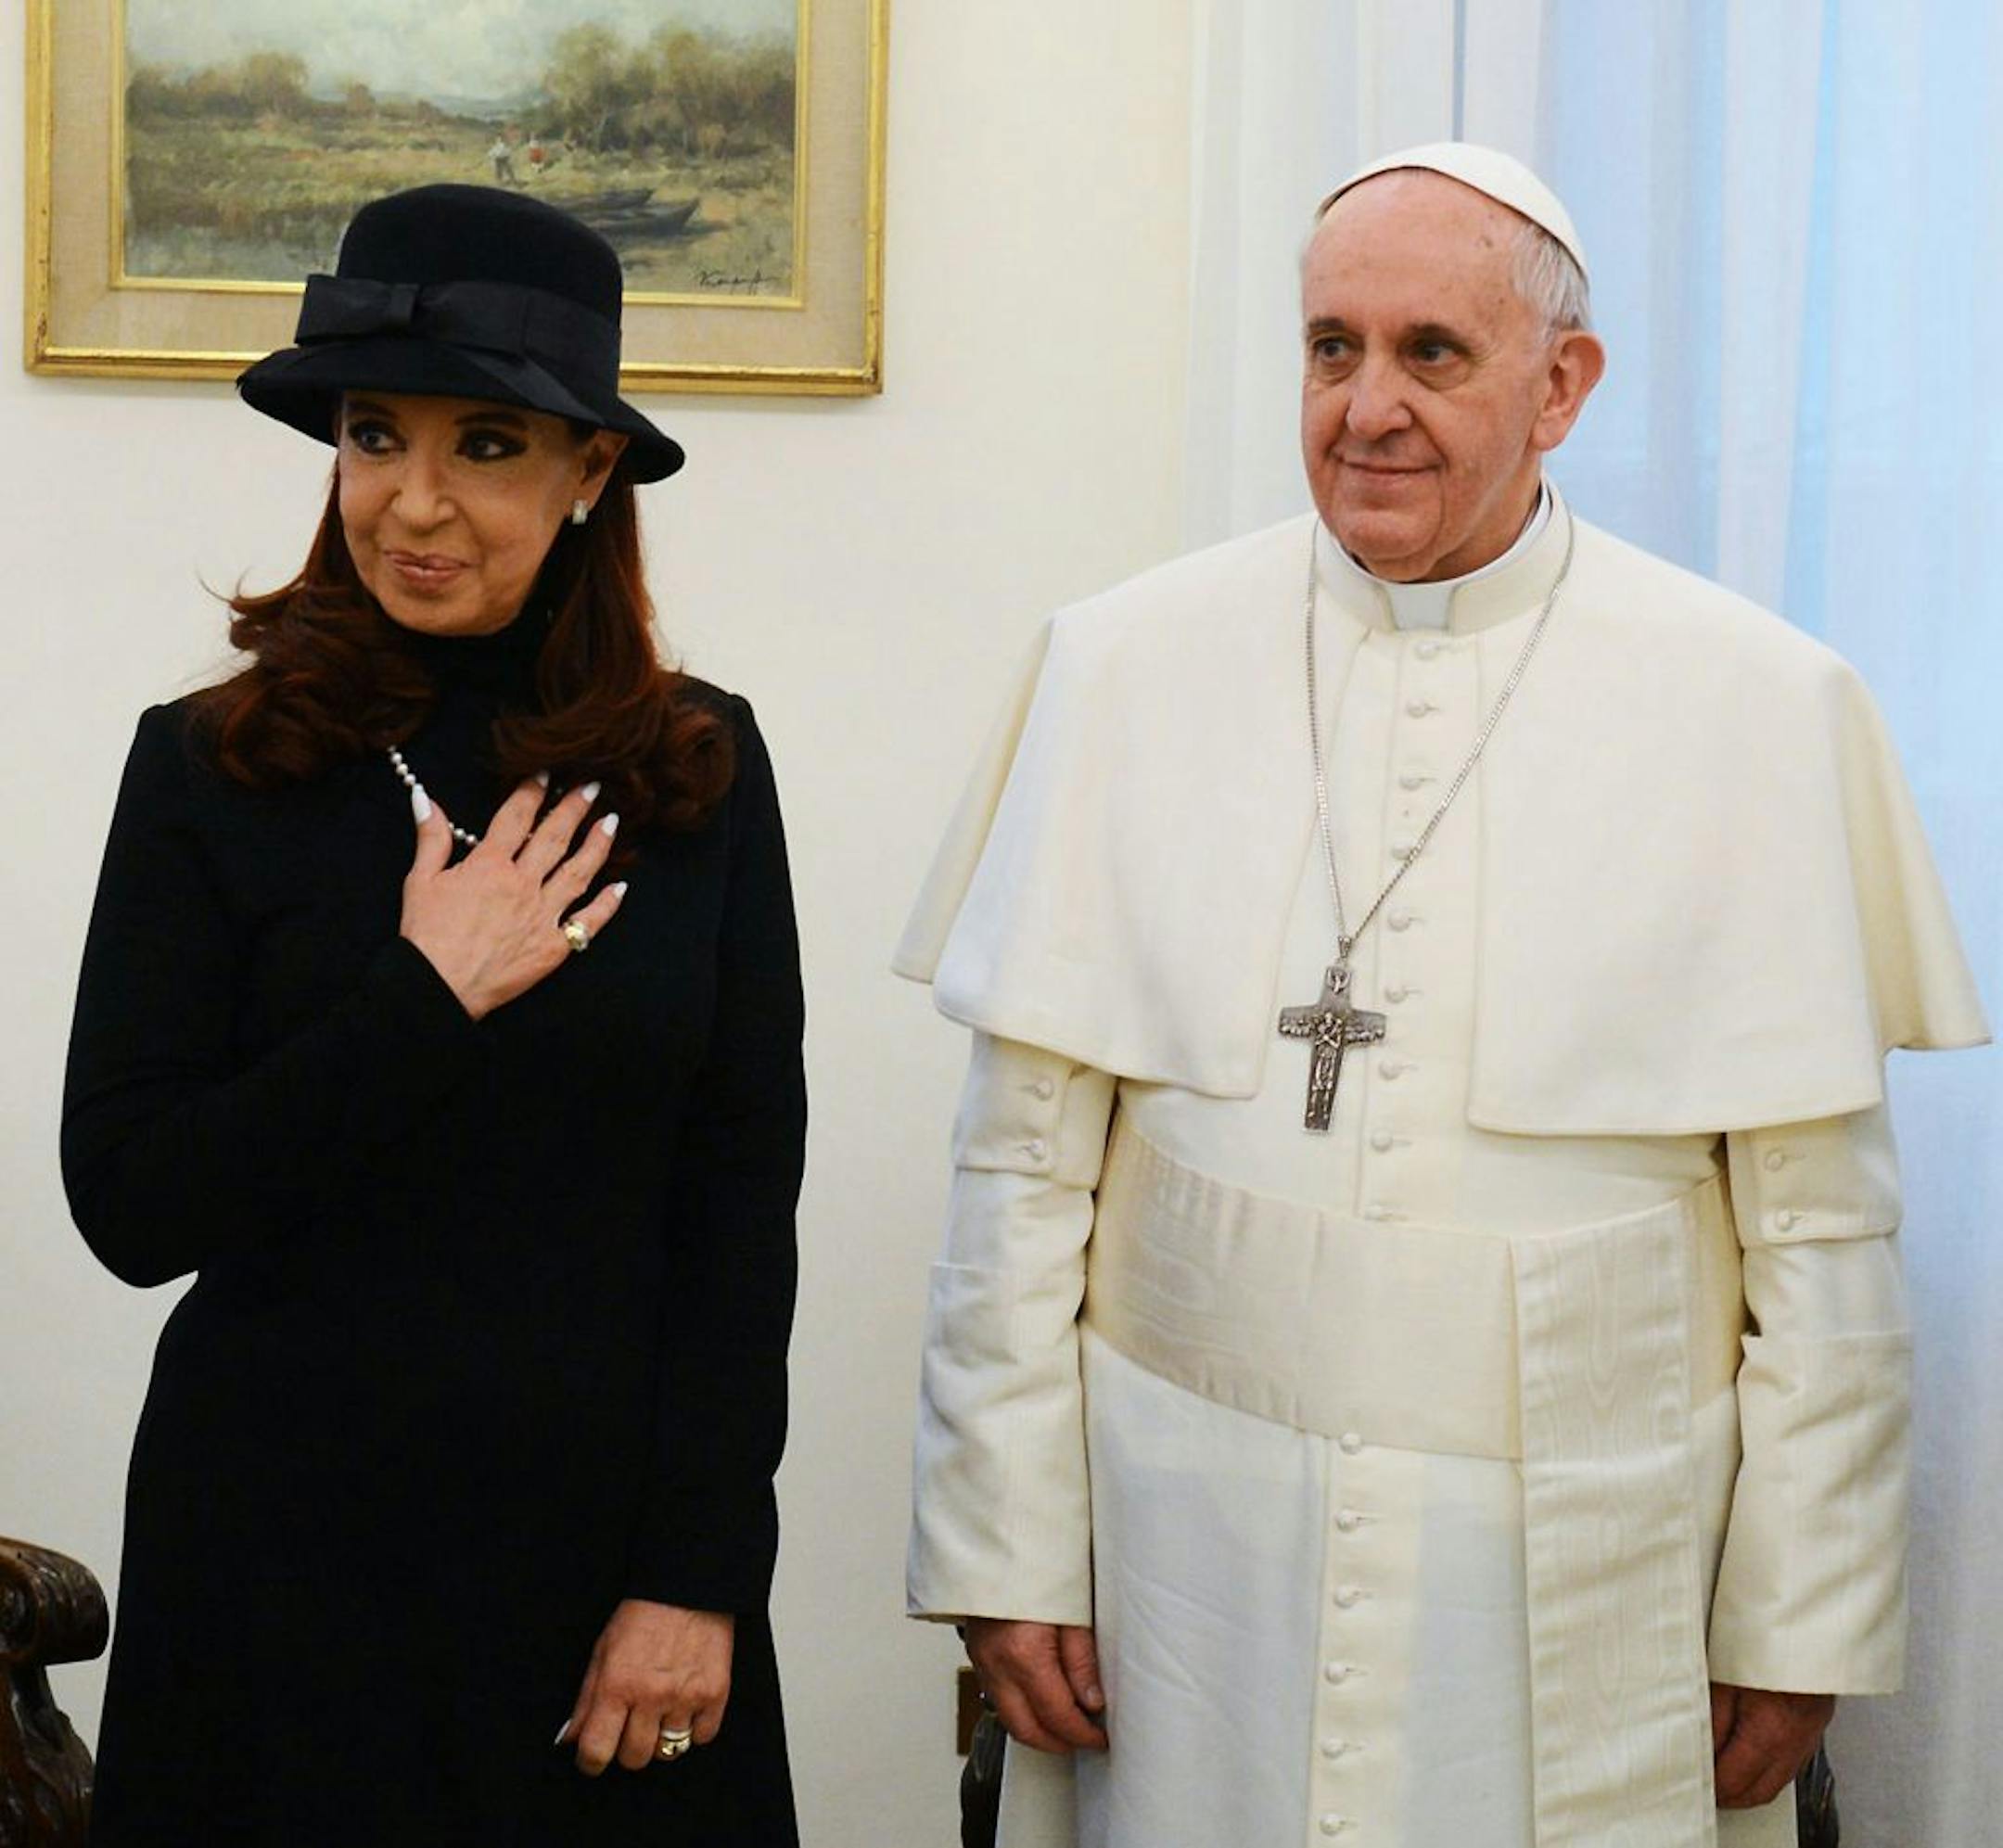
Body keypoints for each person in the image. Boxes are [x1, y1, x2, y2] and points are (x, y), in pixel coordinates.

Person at [898, 144, 1988, 1848]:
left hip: (1587, 1572)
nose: (1367, 408)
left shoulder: (1761, 705)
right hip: (1193, 1556)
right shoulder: (1121, 664)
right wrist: (1004, 1543)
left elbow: (1820, 1236)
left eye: (1432, 353)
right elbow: (1021, 1174)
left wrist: (1803, 1614)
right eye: (1332, 347)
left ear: (1562, 386)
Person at [63, 184, 805, 1846]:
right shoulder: (209, 766)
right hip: (278, 1579)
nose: (413, 501)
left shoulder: (697, 770)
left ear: (589, 469)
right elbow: (130, 1202)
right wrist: (423, 996)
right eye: (373, 435)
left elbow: (738, 1211)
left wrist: (699, 1575)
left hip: (603, 1584)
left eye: (485, 445)